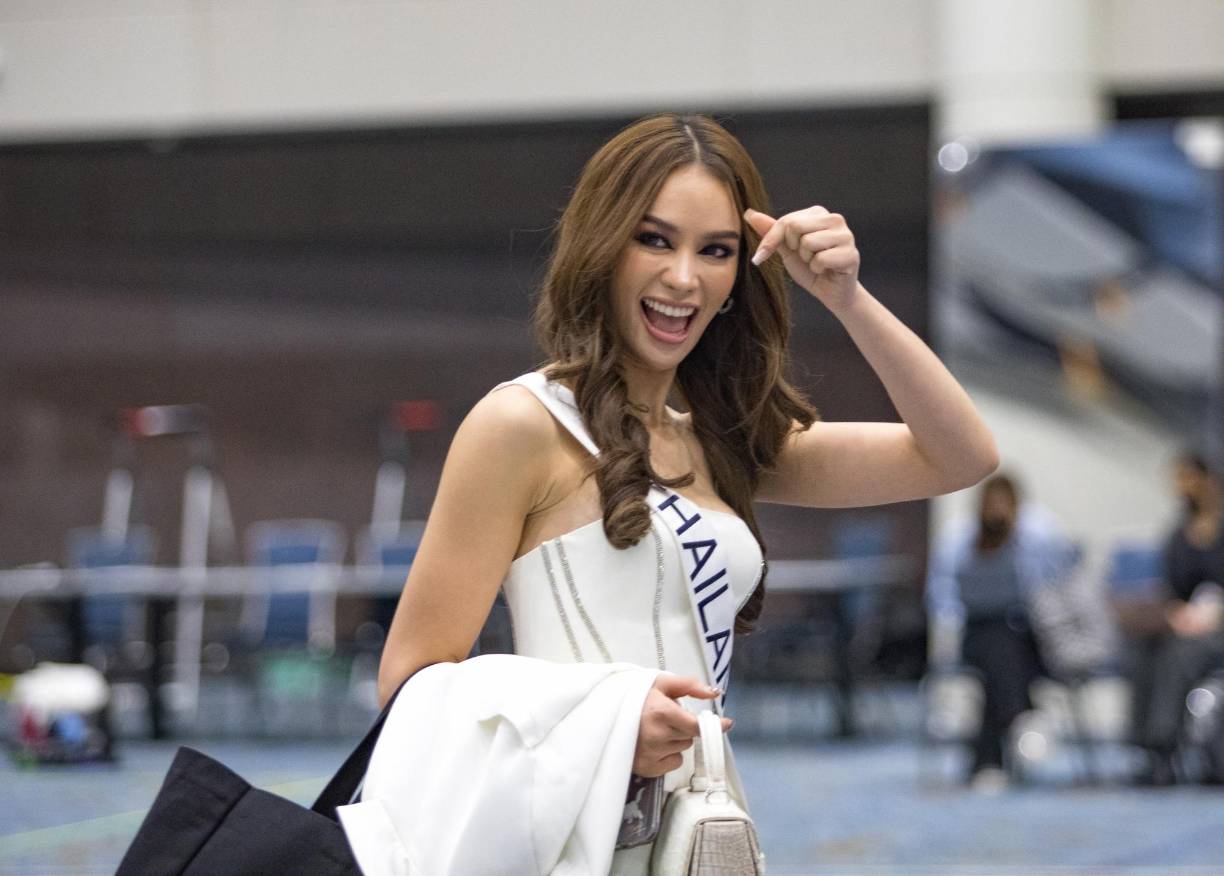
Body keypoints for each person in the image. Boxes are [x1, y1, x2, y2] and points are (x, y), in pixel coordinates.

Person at [375, 112, 999, 870]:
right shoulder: (522, 425)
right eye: (654, 239)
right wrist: (606, 721)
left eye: (717, 252)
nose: (683, 278)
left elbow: (961, 456)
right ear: (602, 246)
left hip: (702, 830)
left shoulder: (722, 441)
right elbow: (409, 686)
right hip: (570, 838)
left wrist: (847, 297)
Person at [926, 473, 1095, 790]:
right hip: (977, 632)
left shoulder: (1037, 533)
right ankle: (1022, 717)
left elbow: (1061, 578)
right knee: (999, 647)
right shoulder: (959, 539)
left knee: (1004, 660)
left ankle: (988, 761)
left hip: (1031, 634)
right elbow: (941, 596)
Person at [1127, 450, 1224, 785]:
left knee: (1179, 654)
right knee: (1143, 648)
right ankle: (1146, 750)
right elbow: (1171, 588)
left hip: (1217, 629)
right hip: (1185, 625)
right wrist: (1175, 614)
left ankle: (1164, 746)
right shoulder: (1178, 534)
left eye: (1186, 479)